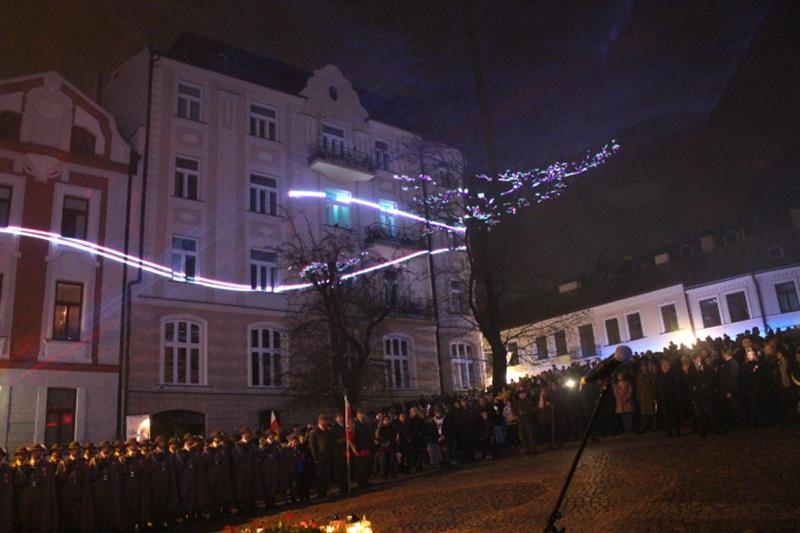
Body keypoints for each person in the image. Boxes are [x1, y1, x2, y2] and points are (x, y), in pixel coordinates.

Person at [308, 414, 334, 498]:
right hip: (320, 456)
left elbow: (331, 443)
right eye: (323, 420)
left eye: (326, 420)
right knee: (320, 475)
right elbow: (312, 445)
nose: (325, 422)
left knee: (327, 474)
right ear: (319, 421)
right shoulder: (315, 432)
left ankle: (326, 490)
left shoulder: (328, 431)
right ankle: (320, 492)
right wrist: (315, 457)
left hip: (327, 456)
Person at [655, 359, 679, 437]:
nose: (666, 366)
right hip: (663, 398)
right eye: (664, 364)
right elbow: (656, 387)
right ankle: (669, 432)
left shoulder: (673, 374)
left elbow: (676, 386)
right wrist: (656, 397)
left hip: (673, 397)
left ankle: (677, 430)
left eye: (667, 364)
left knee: (674, 414)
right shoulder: (658, 375)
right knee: (666, 415)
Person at [512, 389, 537, 455]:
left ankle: (533, 449)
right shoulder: (517, 403)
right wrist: (517, 414)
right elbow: (514, 412)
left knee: (530, 435)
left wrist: (526, 413)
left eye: (523, 394)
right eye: (520, 394)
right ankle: (527, 449)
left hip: (528, 421)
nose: (522, 395)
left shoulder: (529, 403)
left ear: (525, 394)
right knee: (522, 436)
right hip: (520, 422)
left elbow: (533, 410)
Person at [353, 409, 373, 488]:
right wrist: (355, 447)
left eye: (363, 414)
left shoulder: (365, 424)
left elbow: (368, 435)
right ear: (357, 415)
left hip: (366, 446)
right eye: (360, 414)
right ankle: (360, 482)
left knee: (365, 464)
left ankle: (364, 480)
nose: (362, 415)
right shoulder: (355, 425)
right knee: (359, 465)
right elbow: (354, 437)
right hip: (359, 447)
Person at [636, 360, 657, 433]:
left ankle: (652, 427)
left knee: (651, 412)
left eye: (645, 366)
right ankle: (644, 427)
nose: (644, 368)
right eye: (642, 367)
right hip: (643, 397)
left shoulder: (651, 375)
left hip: (650, 396)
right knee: (644, 413)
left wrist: (655, 396)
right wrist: (638, 397)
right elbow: (638, 388)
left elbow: (654, 386)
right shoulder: (639, 376)